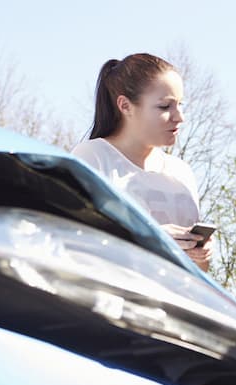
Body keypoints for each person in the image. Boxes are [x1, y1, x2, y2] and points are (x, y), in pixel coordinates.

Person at [72, 53, 213, 271]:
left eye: (180, 104)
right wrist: (152, 240)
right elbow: (76, 244)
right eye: (165, 107)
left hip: (175, 301)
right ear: (125, 105)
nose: (179, 116)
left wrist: (201, 255)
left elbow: (198, 272)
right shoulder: (93, 157)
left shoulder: (181, 172)